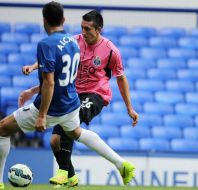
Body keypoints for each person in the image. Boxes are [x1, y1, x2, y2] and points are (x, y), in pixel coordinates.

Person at [22, 10, 138, 187]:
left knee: (72, 120)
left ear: (99, 29)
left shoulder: (110, 50)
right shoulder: (74, 41)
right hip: (72, 93)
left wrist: (129, 108)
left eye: (88, 29)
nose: (83, 32)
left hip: (96, 95)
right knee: (54, 142)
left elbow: (121, 78)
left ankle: (61, 172)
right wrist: (34, 66)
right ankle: (72, 176)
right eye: (82, 28)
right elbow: (54, 59)